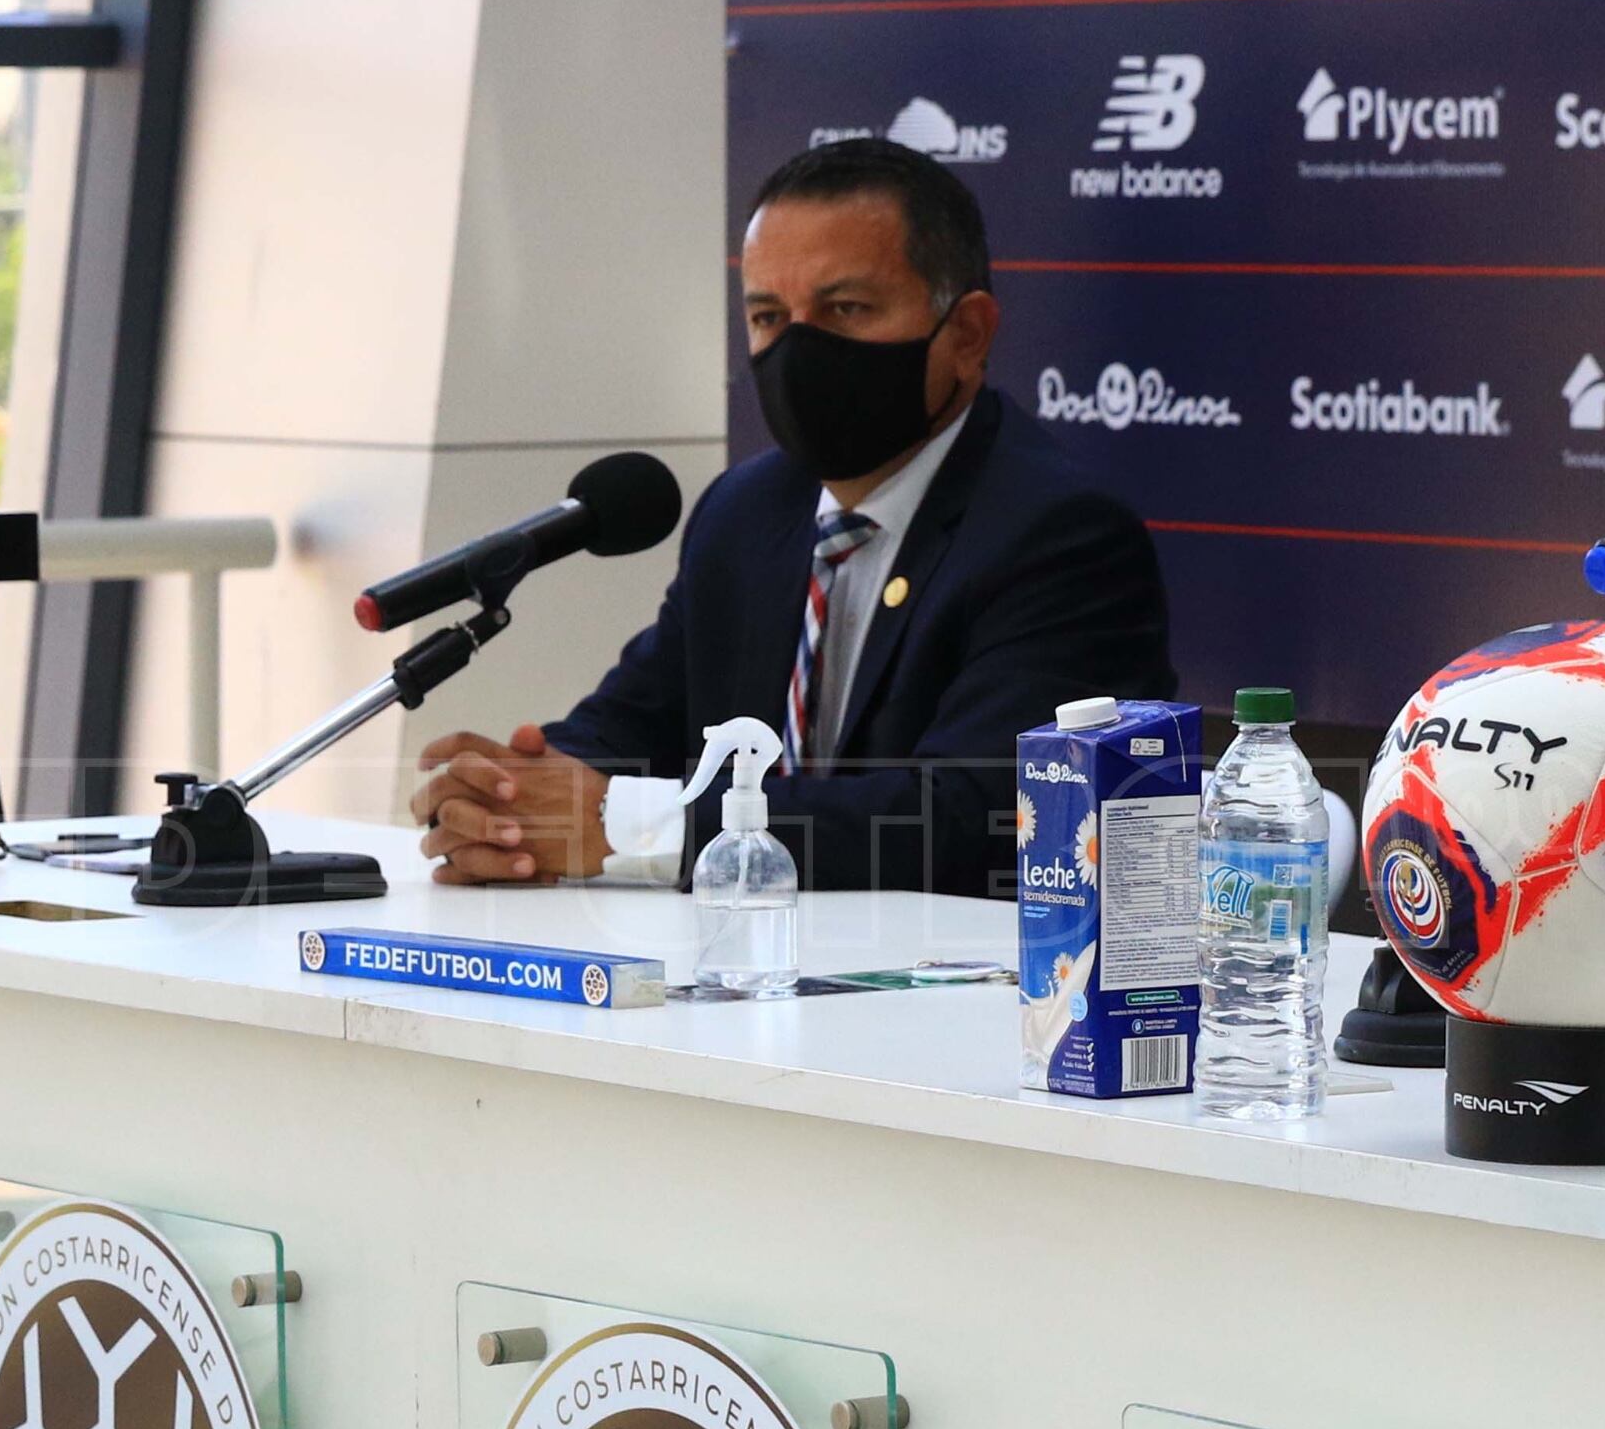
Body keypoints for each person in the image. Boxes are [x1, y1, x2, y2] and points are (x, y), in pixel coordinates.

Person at [410, 138, 1173, 894]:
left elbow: (977, 816)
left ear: (967, 334)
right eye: (770, 316)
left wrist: (634, 825)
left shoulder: (1058, 536)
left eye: (846, 309)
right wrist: (509, 801)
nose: (799, 350)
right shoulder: (744, 513)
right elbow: (628, 725)